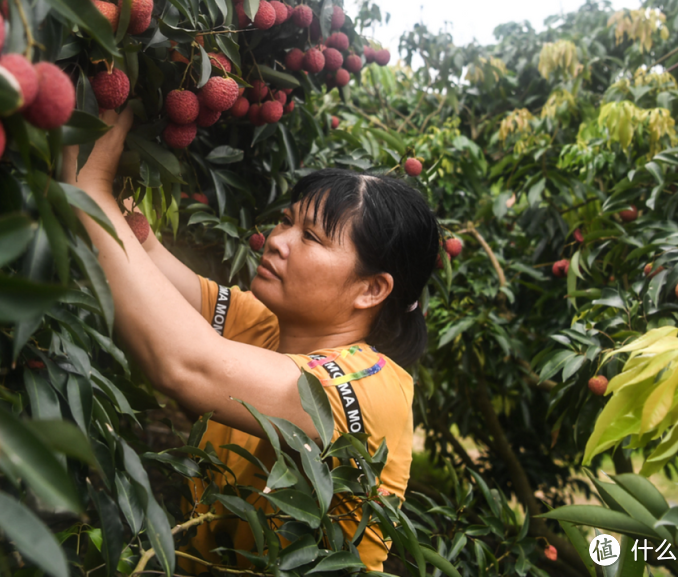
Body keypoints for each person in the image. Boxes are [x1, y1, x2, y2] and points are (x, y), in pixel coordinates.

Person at [63, 108, 440, 571]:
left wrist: (89, 187)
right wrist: (105, 110)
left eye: (312, 238)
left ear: (371, 289)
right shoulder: (265, 326)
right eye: (286, 220)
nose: (277, 240)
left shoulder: (363, 386)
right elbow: (142, 251)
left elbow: (186, 364)